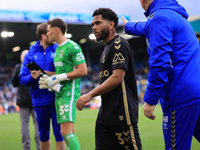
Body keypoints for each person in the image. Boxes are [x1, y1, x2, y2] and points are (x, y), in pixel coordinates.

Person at [122, 0, 200, 149]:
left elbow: (159, 63)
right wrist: (128, 26)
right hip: (196, 92)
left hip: (180, 95)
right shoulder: (173, 14)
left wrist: (150, 100)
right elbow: (146, 26)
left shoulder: (159, 18)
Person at [76, 8, 142, 150]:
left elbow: (117, 77)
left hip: (122, 115)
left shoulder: (119, 43)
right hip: (105, 117)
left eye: (98, 23)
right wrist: (101, 113)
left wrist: (90, 94)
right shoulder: (106, 48)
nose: (94, 27)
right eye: (93, 24)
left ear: (111, 24)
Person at [39, 18, 87, 150]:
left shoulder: (73, 47)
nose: (47, 34)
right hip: (59, 94)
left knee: (65, 132)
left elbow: (83, 70)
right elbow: (59, 73)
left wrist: (60, 77)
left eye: (49, 31)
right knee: (69, 131)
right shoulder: (58, 50)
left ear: (56, 30)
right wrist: (48, 79)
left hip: (69, 94)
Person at [19, 23, 66, 150]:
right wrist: (32, 77)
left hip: (57, 98)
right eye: (50, 32)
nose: (53, 34)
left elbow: (67, 73)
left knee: (60, 133)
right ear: (44, 36)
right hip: (39, 100)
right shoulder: (30, 53)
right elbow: (22, 79)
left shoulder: (59, 49)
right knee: (43, 134)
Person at [11, 50, 41, 150]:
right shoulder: (36, 66)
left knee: (24, 125)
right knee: (38, 124)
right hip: (35, 99)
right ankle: (39, 146)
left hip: (23, 101)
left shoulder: (18, 67)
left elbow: (14, 83)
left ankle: (26, 147)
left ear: (21, 58)